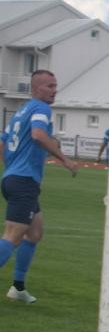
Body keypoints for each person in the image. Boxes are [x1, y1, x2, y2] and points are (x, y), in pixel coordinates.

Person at [0, 70, 79, 303]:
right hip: (23, 181)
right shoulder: (41, 108)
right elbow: (37, 134)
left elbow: (3, 143)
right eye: (49, 86)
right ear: (36, 88)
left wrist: (12, 167)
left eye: (55, 85)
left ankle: (18, 288)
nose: (54, 90)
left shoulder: (20, 112)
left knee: (34, 233)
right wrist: (65, 160)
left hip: (15, 179)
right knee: (12, 236)